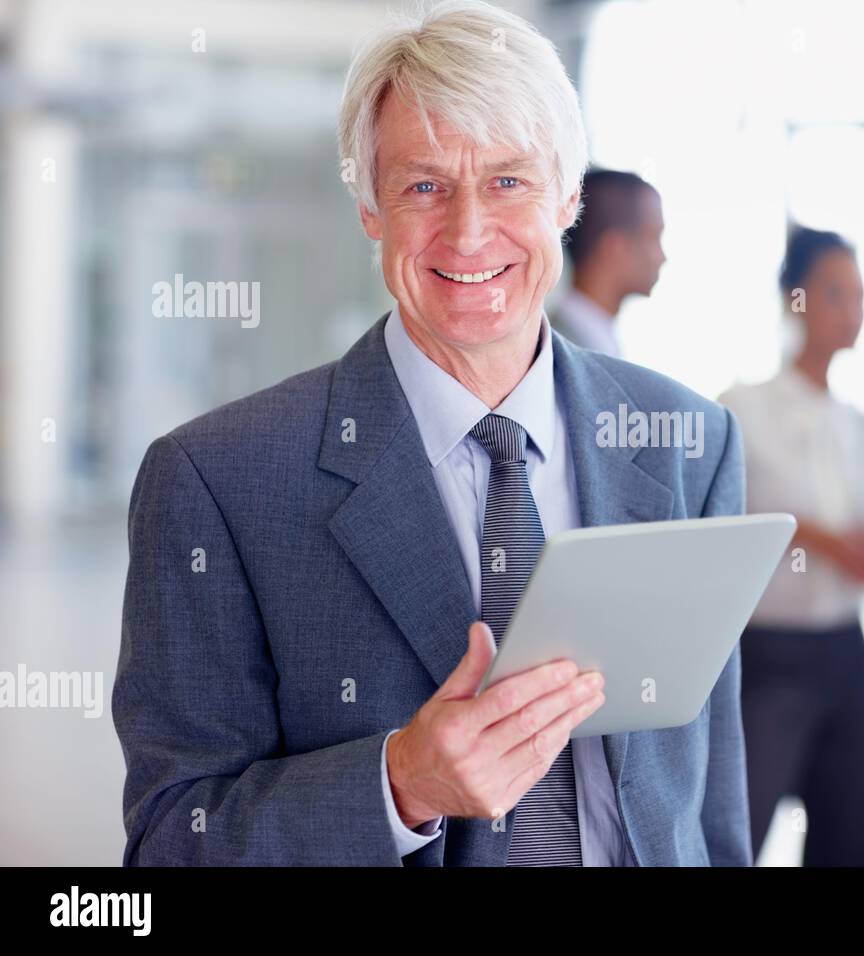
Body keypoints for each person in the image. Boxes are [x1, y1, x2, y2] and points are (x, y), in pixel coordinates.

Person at [112, 0, 751, 867]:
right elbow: (169, 841)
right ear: (371, 207)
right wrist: (398, 784)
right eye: (423, 186)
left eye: (508, 181)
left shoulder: (690, 443)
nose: (469, 231)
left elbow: (711, 809)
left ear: (567, 198)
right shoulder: (217, 481)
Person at [720, 226, 864, 866]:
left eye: (860, 295)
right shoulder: (739, 410)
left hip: (847, 652)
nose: (853, 311)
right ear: (795, 300)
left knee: (844, 843)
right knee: (737, 833)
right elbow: (727, 534)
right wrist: (814, 535)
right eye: (835, 293)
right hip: (770, 655)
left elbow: (862, 546)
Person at [551, 169, 666, 357]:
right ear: (616, 248)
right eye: (654, 237)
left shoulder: (594, 341)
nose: (662, 257)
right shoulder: (557, 351)